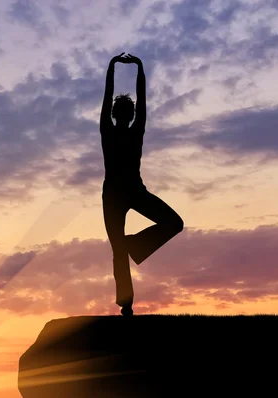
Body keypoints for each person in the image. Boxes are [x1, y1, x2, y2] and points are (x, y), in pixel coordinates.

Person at [100, 52, 184, 316]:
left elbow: (132, 102)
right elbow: (131, 102)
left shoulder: (127, 129)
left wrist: (120, 68)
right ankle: (126, 305)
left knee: (172, 224)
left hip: (133, 192)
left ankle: (132, 246)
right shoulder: (112, 130)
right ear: (119, 114)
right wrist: (135, 68)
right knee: (119, 249)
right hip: (116, 195)